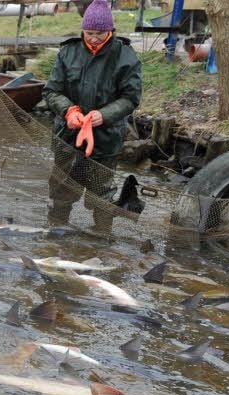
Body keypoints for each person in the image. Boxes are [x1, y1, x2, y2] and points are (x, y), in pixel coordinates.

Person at [42, 0, 142, 230]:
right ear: (83, 30)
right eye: (89, 33)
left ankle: (102, 237)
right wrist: (69, 110)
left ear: (110, 31)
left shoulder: (126, 57)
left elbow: (130, 99)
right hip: (67, 135)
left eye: (100, 33)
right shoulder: (68, 52)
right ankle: (56, 232)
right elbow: (51, 91)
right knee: (60, 189)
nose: (94, 38)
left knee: (102, 193)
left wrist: (103, 115)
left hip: (106, 138)